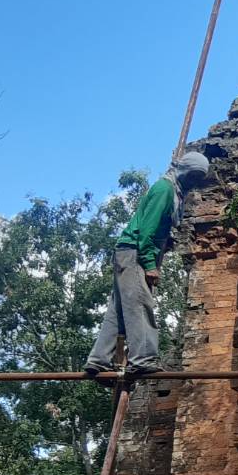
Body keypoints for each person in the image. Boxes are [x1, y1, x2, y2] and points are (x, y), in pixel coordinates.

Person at [85, 151, 209, 376]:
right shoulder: (165, 190)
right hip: (134, 253)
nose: (194, 183)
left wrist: (166, 240)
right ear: (184, 170)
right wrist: (150, 264)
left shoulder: (174, 192)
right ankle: (142, 359)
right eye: (193, 176)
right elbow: (147, 231)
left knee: (119, 311)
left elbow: (155, 227)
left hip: (128, 251)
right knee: (141, 305)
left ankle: (98, 361)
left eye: (199, 179)